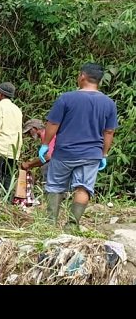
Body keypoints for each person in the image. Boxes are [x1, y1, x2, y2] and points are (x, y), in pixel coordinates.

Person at [39, 63, 118, 229]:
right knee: (83, 188)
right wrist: (104, 154)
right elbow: (109, 132)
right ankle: (72, 226)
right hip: (91, 155)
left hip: (64, 152)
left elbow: (53, 123)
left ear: (82, 76)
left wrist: (45, 144)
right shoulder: (109, 103)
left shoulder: (66, 98)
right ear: (99, 80)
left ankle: (49, 224)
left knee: (55, 186)